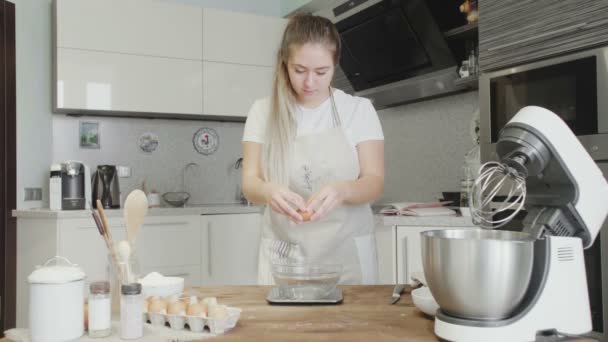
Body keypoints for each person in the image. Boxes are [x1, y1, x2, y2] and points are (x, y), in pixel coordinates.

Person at [241, 13, 385, 285]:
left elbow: (374, 182)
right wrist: (268, 191)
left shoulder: (358, 110)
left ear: (335, 65)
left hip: (347, 255)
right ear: (285, 63)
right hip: (285, 258)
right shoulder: (263, 112)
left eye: (321, 72)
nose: (310, 83)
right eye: (299, 70)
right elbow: (250, 182)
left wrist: (342, 190)